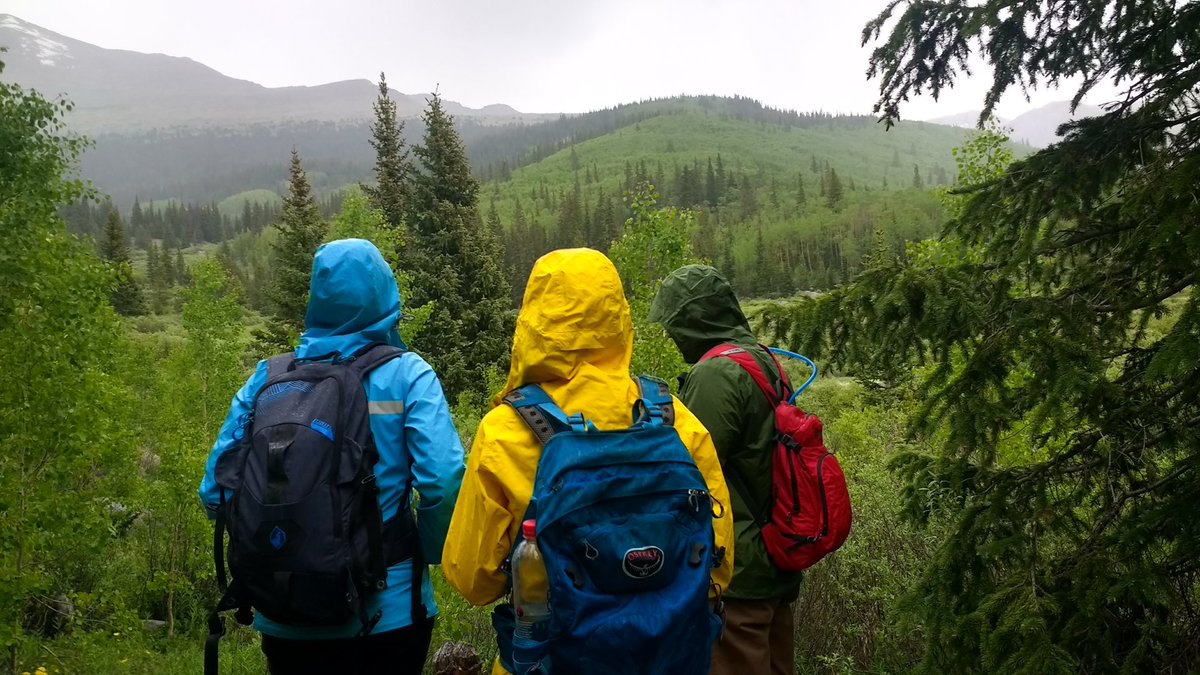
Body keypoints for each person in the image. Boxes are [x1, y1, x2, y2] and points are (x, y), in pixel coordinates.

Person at [442, 248, 734, 675]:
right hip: (670, 660)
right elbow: (720, 567)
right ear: (619, 317)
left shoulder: (505, 431)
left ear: (532, 323)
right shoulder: (674, 419)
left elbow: (472, 579)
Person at [199, 239, 464, 675]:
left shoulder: (268, 377)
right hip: (388, 611)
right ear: (384, 291)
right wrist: (430, 549)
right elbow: (443, 478)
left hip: (283, 612)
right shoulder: (407, 373)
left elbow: (214, 494)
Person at [648, 264, 803, 675]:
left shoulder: (715, 374)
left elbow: (687, 470)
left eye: (674, 324)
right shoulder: (762, 360)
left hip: (737, 574)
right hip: (772, 560)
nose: (671, 335)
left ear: (695, 320)